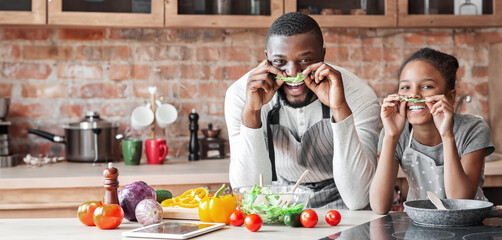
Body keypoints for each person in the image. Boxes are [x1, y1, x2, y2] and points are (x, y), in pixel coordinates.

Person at [224, 12, 380, 209]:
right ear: (267, 58)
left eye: (305, 60)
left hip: (344, 204)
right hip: (278, 201)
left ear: (322, 56)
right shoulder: (242, 95)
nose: (293, 73)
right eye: (280, 62)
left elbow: (359, 198)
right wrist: (252, 114)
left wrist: (340, 109)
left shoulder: (358, 95)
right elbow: (248, 192)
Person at [369, 48, 495, 215]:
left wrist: (447, 135)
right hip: (421, 224)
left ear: (450, 97)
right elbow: (379, 207)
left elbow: (460, 201)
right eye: (405, 87)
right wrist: (391, 136)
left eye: (427, 86)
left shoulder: (473, 129)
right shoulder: (395, 133)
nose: (414, 94)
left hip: (470, 225)